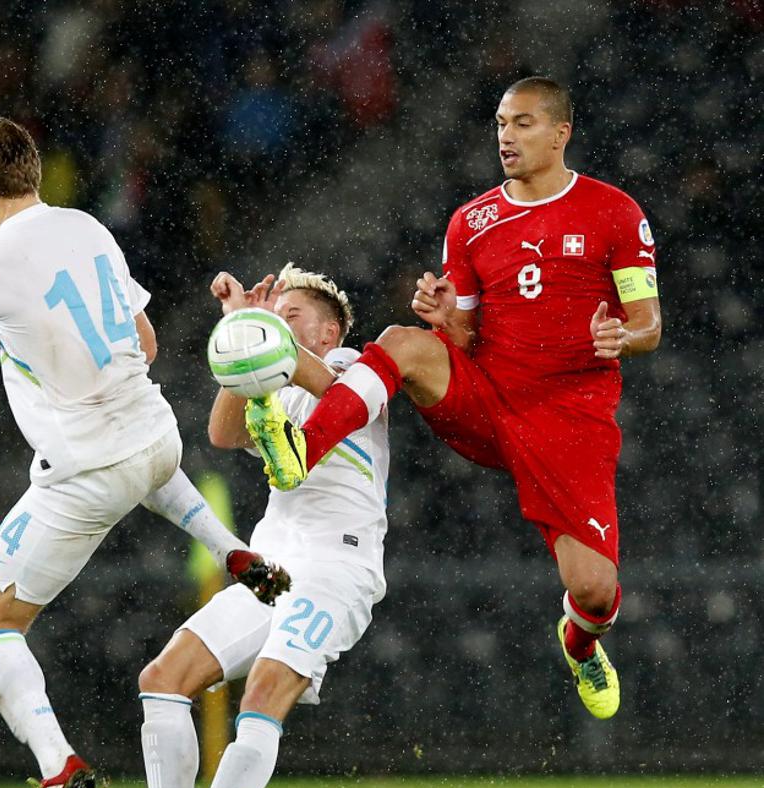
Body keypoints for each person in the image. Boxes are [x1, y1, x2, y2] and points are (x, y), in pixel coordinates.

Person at [246, 76, 662, 721]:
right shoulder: (472, 222)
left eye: (523, 123)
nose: (506, 136)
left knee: (594, 589)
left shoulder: (613, 212)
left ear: (561, 133)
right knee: (403, 342)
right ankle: (302, 447)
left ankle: (580, 644)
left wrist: (621, 337)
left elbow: (649, 325)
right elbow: (464, 337)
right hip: (489, 399)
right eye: (500, 123)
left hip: (568, 420)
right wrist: (445, 318)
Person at [0, 117, 289, 788]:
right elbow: (147, 342)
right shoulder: (88, 226)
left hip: (83, 468)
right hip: (156, 434)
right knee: (146, 464)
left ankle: (57, 764)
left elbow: (23, 339)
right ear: (35, 169)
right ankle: (230, 548)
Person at [115, 263, 389, 788]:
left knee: (264, 691)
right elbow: (222, 432)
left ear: (329, 331)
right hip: (275, 566)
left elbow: (321, 382)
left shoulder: (354, 370)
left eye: (294, 317)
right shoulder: (280, 386)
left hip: (337, 566)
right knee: (161, 678)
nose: (281, 324)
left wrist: (257, 327)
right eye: (278, 314)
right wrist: (241, 336)